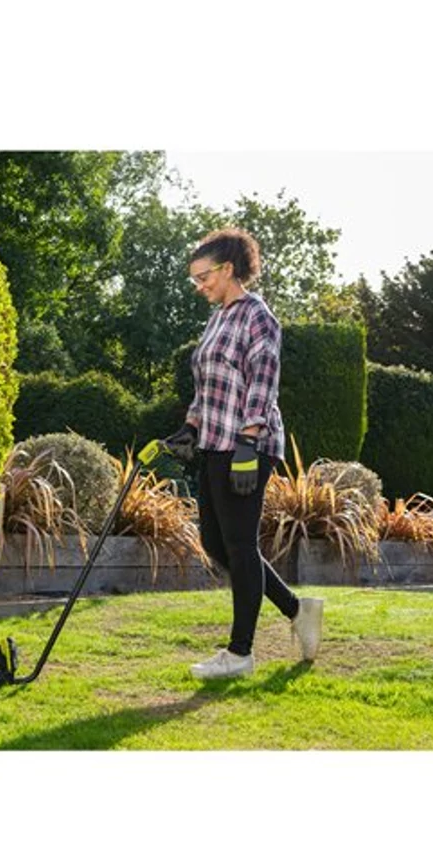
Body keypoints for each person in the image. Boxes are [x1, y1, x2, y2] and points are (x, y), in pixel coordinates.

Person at [164, 227, 323, 680]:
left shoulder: (258, 316)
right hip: (215, 440)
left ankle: (240, 654)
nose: (199, 286)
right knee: (217, 544)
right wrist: (190, 426)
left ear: (228, 269)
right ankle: (297, 609)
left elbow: (262, 381)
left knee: (240, 544)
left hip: (247, 444)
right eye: (195, 279)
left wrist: (249, 442)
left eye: (203, 277)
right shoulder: (218, 318)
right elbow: (208, 384)